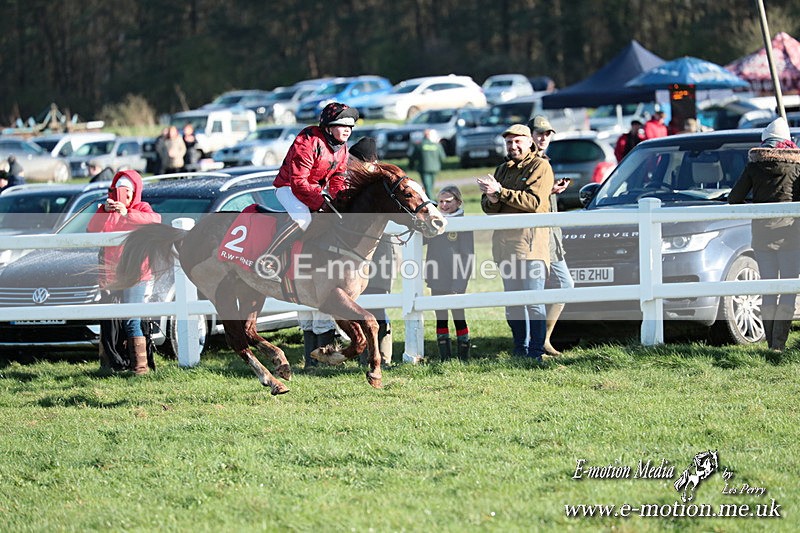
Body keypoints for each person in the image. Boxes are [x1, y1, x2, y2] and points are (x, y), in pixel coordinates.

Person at [256, 102, 358, 281]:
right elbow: (298, 182)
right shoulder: (307, 141)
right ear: (328, 128)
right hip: (288, 187)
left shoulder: (342, 148)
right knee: (302, 219)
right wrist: (321, 203)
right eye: (342, 125)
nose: (347, 130)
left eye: (350, 127)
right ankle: (266, 261)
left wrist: (342, 201)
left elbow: (338, 180)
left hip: (313, 190)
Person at [477, 124, 553, 362]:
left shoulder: (540, 166)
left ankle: (536, 352)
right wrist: (491, 198)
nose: (513, 146)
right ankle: (520, 349)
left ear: (530, 142)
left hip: (530, 247)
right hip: (504, 247)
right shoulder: (502, 169)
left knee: (534, 302)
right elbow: (489, 208)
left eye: (518, 141)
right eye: (509, 142)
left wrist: (500, 192)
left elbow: (534, 203)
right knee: (513, 304)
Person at [728, 117, 800, 352]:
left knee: (768, 290)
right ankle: (779, 344)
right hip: (791, 237)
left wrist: (756, 205)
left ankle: (770, 344)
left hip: (762, 237)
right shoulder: (797, 167)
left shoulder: (754, 166)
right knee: (788, 291)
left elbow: (734, 199)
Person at [87, 170, 162, 374]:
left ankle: (140, 367)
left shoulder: (142, 208)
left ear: (135, 192)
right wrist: (103, 211)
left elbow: (155, 220)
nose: (124, 196)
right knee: (110, 319)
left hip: (136, 272)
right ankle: (112, 363)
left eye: (127, 192)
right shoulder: (108, 211)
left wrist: (127, 213)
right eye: (120, 191)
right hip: (112, 273)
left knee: (131, 318)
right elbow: (92, 230)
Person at [529, 115, 574, 357]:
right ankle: (535, 343)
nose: (544, 138)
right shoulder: (528, 161)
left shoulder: (544, 160)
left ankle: (543, 339)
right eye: (539, 133)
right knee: (536, 291)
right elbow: (528, 199)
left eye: (547, 134)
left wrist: (552, 190)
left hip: (551, 236)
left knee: (564, 284)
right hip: (535, 238)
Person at [350, 136, 395, 367]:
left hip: (381, 251)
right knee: (359, 304)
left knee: (378, 302)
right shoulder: (355, 183)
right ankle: (366, 355)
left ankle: (383, 355)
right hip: (355, 253)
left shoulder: (384, 185)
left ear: (367, 162)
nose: (349, 165)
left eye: (353, 161)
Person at [424, 185, 474, 361]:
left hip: (456, 278)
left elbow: (467, 255)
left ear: (458, 202)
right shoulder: (434, 220)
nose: (443, 205)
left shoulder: (463, 223)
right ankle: (444, 356)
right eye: (440, 202)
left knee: (458, 315)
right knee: (440, 316)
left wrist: (459, 283)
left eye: (448, 201)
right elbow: (422, 239)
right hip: (437, 276)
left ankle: (463, 355)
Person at [408, 128, 445, 198]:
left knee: (427, 187)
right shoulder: (437, 145)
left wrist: (410, 166)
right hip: (435, 168)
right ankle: (431, 199)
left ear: (423, 135)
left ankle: (432, 200)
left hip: (424, 169)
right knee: (431, 186)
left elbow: (413, 157)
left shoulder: (420, 145)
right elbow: (443, 157)